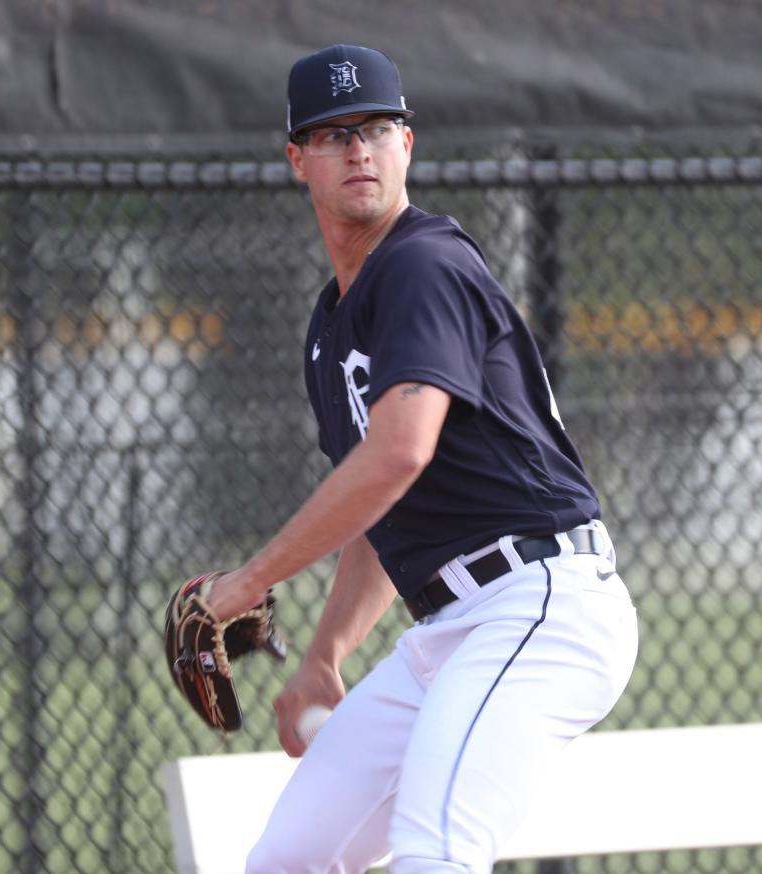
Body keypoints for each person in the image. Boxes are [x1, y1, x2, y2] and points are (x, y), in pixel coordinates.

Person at [207, 44, 638, 874]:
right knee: (286, 861)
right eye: (332, 135)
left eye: (375, 127)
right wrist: (325, 655)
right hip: (452, 630)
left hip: (538, 604)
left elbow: (398, 453)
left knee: (435, 853)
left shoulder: (423, 264)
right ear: (297, 159)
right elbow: (380, 501)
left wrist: (250, 582)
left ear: (408, 143)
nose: (358, 149)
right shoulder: (330, 325)